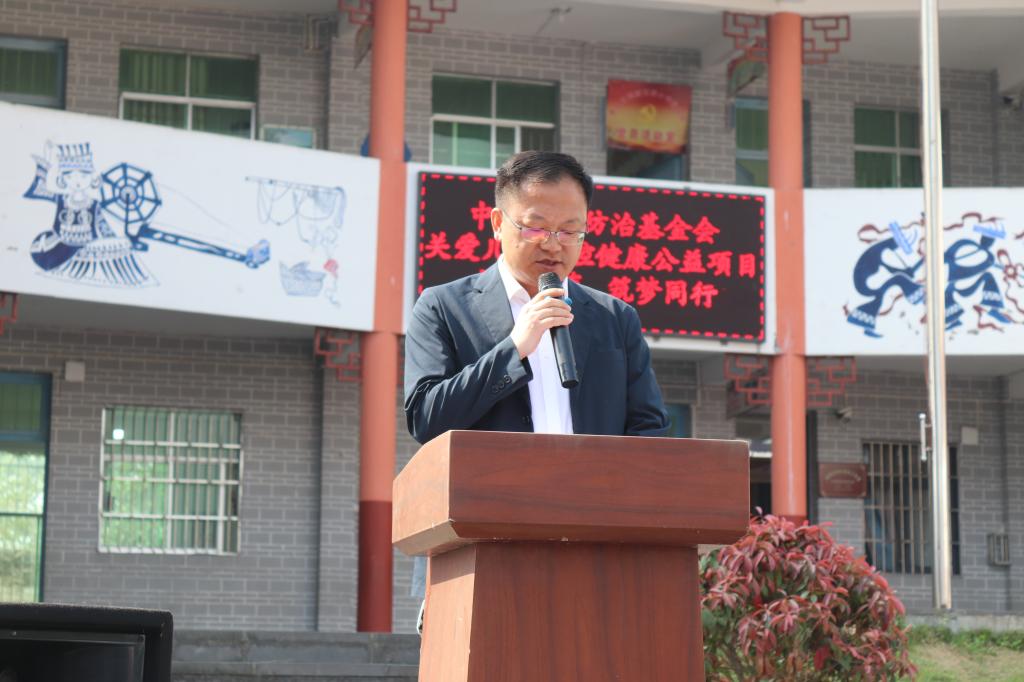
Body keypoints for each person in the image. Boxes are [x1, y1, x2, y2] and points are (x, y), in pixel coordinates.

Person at [402, 150, 670, 630]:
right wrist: (515, 347)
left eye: (570, 230)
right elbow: (426, 417)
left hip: (595, 556)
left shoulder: (615, 319)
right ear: (496, 223)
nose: (554, 244)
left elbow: (649, 434)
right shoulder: (442, 307)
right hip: (479, 554)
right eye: (535, 227)